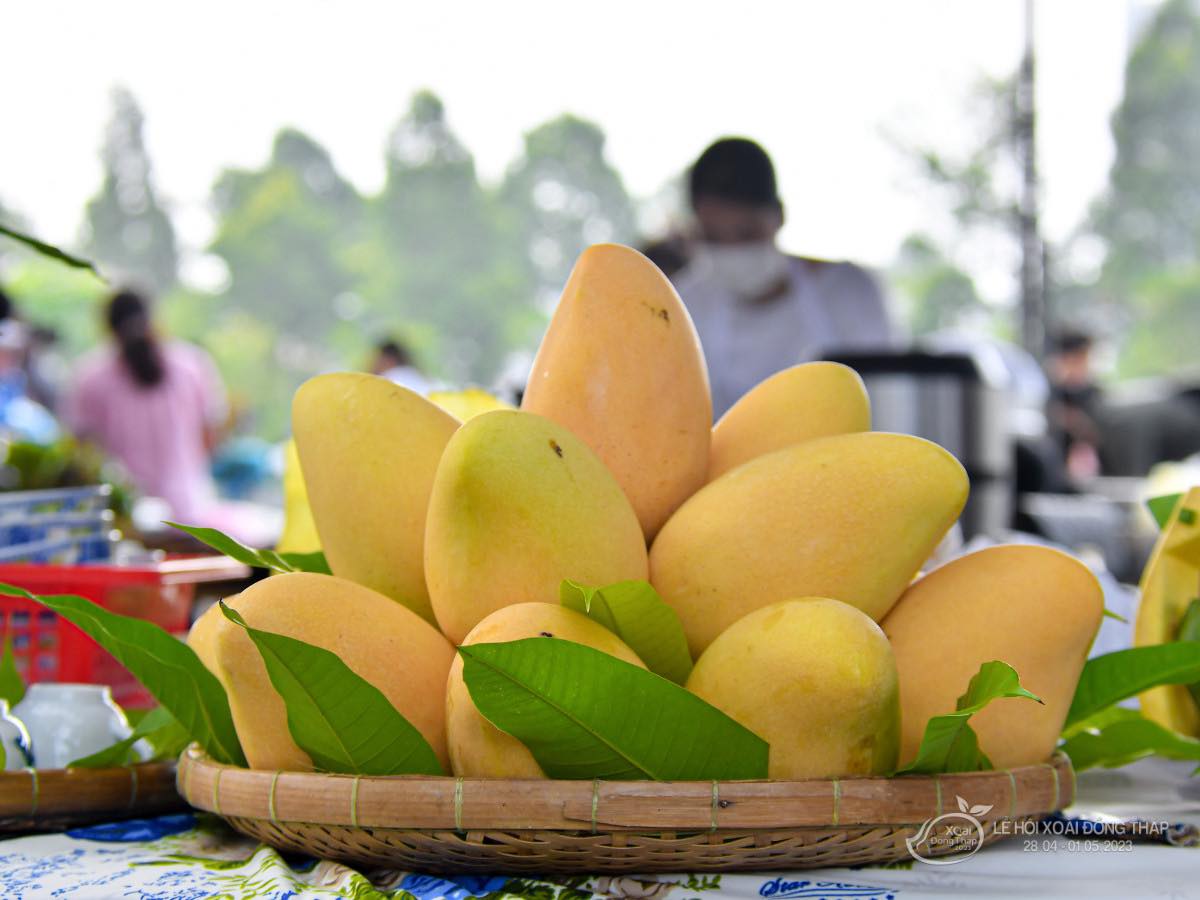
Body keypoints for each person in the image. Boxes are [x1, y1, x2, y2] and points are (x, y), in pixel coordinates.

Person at [668, 138, 896, 416]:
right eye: (713, 237)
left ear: (778, 217)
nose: (731, 250)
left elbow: (886, 405)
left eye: (746, 233)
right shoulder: (682, 305)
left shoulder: (849, 293)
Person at [62, 289, 229, 523]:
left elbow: (82, 451)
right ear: (153, 318)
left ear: (107, 326)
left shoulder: (90, 375)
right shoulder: (192, 364)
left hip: (126, 518)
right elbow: (211, 436)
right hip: (190, 511)